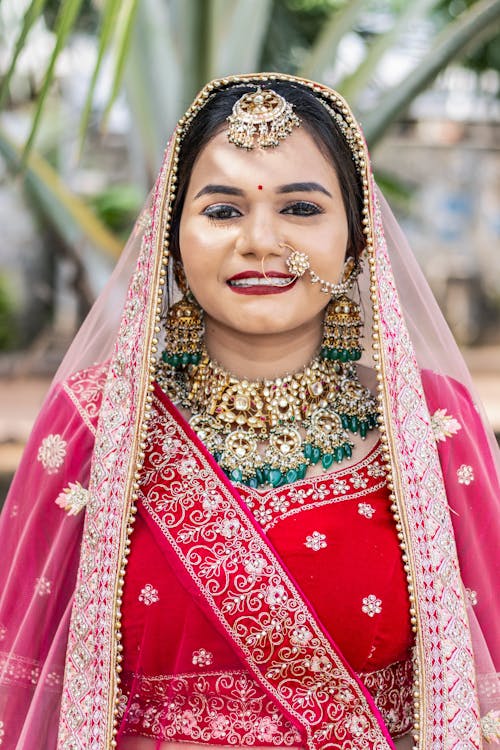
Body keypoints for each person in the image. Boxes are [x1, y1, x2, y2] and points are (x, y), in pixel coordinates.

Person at [0, 73, 498, 750]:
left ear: (356, 242)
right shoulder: (93, 424)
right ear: (172, 239)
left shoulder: (430, 424)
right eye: (223, 211)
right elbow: (21, 685)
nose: (261, 241)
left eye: (300, 208)